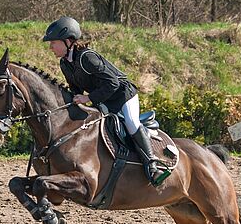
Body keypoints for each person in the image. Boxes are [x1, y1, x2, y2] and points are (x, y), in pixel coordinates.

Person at [42, 16, 169, 186]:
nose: (50, 47)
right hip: (104, 98)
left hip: (123, 94)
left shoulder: (87, 58)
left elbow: (113, 83)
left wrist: (88, 98)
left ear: (67, 41)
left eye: (53, 42)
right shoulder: (65, 63)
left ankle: (152, 165)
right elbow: (76, 90)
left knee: (131, 123)